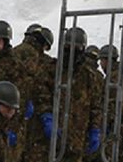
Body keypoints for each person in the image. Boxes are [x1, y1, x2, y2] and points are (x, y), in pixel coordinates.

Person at [40, 27, 102, 162]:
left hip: (76, 143)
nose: (71, 52)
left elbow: (96, 107)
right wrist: (46, 116)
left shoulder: (89, 77)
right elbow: (41, 94)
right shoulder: (51, 69)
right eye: (68, 47)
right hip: (48, 142)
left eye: (77, 48)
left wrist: (95, 130)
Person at [22, 27, 55, 162]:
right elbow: (42, 90)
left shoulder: (11, 54)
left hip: (11, 116)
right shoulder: (44, 62)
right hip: (35, 123)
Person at [98, 44, 123, 162]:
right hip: (118, 122)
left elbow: (111, 104)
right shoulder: (118, 76)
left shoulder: (113, 78)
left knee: (109, 155)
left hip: (114, 123)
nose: (101, 64)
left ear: (107, 60)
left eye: (102, 60)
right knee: (116, 154)